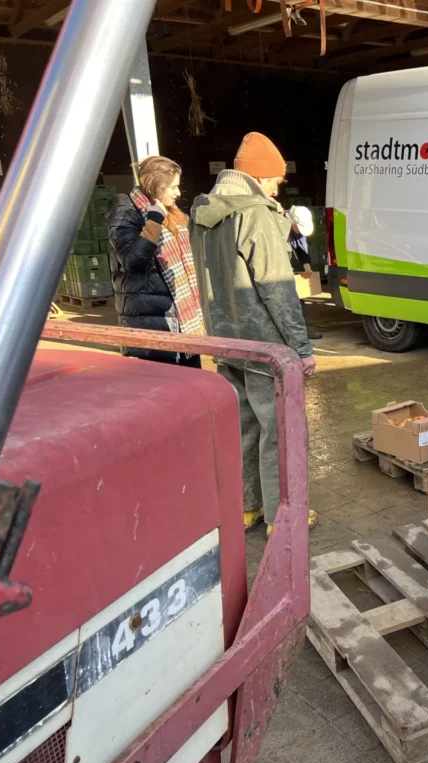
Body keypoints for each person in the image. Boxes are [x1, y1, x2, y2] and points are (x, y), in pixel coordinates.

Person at [190, 132, 318, 536]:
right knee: (279, 429)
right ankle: (281, 514)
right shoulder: (255, 214)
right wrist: (301, 348)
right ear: (260, 177)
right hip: (264, 343)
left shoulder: (204, 211)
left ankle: (247, 507)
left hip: (225, 339)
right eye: (276, 179)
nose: (279, 186)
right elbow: (277, 288)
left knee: (245, 425)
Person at [108, 155, 204, 366]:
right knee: (165, 391)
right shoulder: (126, 209)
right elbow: (132, 261)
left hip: (183, 320)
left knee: (191, 388)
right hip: (150, 321)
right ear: (156, 185)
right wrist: (154, 221)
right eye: (173, 187)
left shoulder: (175, 213)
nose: (178, 193)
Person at [285, 205, 322, 340]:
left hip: (285, 268)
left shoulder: (297, 232)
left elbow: (301, 250)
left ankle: (302, 332)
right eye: (298, 228)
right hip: (272, 269)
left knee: (298, 299)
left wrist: (307, 267)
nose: (300, 232)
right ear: (291, 222)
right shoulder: (274, 224)